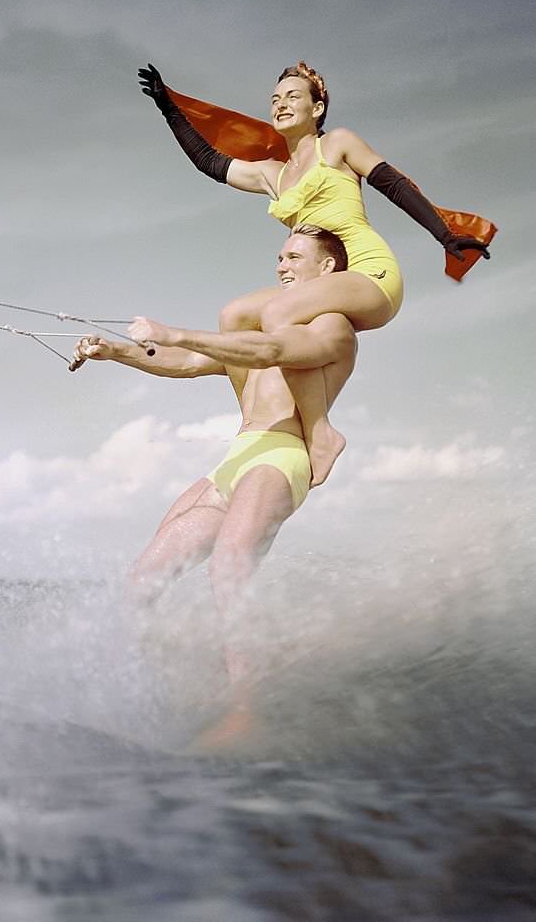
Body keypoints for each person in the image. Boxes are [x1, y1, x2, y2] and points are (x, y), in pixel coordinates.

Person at [138, 61, 491, 487]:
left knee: (278, 314)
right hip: (320, 284)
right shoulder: (274, 174)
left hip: (367, 272)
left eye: (292, 97)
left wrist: (445, 235)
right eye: (275, 99)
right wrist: (168, 106)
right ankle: (258, 425)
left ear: (317, 108)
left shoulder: (337, 145)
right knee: (234, 315)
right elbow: (210, 162)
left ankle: (319, 431)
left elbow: (391, 183)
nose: (280, 105)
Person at [71, 224, 356, 692]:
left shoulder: (333, 326)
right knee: (143, 579)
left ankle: (245, 699)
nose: (281, 266)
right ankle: (146, 681)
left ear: (326, 268)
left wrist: (176, 331)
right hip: (236, 458)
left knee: (230, 563)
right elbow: (185, 362)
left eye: (294, 257)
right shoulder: (255, 332)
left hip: (281, 456)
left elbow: (273, 351)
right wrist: (116, 352)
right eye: (280, 257)